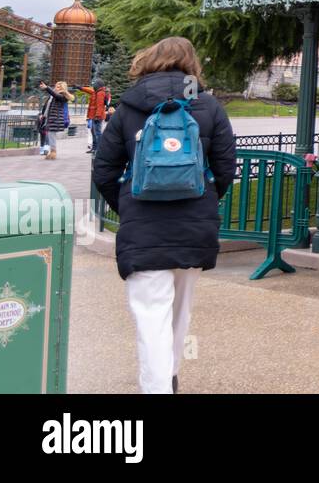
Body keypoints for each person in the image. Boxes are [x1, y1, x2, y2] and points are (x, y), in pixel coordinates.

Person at [91, 37, 237, 394]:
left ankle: (156, 389)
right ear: (191, 65)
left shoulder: (128, 107)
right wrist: (203, 202)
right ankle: (169, 378)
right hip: (194, 227)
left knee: (150, 316)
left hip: (143, 229)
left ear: (150, 61)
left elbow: (105, 169)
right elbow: (225, 168)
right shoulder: (208, 105)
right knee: (179, 313)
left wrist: (127, 206)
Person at [37, 81, 71, 160]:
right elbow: (46, 106)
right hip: (49, 118)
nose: (56, 88)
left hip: (55, 119)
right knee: (50, 135)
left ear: (63, 88)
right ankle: (51, 152)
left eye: (59, 87)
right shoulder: (52, 96)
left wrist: (46, 88)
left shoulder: (63, 96)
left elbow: (55, 95)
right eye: (56, 86)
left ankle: (53, 152)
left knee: (51, 135)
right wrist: (43, 114)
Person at [77, 79, 112, 153]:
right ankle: (94, 148)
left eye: (95, 83)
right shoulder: (96, 92)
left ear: (99, 85)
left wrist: (98, 116)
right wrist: (80, 88)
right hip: (94, 116)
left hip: (97, 117)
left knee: (97, 133)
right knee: (94, 132)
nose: (94, 85)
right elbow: (88, 90)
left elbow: (100, 106)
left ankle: (99, 149)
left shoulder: (100, 93)